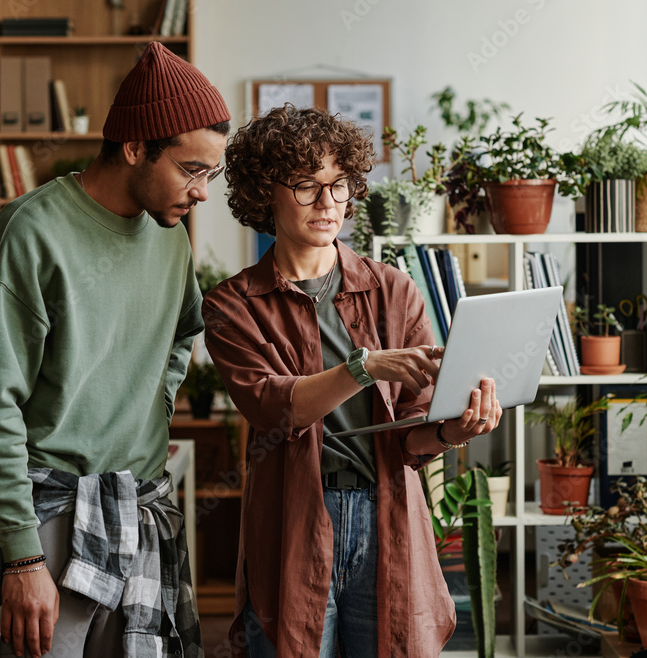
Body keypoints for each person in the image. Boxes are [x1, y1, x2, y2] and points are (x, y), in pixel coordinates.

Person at [0, 42, 230, 658]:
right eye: (191, 169)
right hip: (45, 521)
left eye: (211, 173)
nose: (203, 192)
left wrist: (152, 398)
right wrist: (22, 556)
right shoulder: (27, 234)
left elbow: (185, 330)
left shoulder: (172, 237)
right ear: (134, 147)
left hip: (141, 508)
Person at [201, 104, 503, 657]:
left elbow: (412, 433)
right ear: (265, 191)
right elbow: (275, 407)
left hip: (386, 512)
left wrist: (455, 430)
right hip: (296, 518)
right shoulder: (233, 305)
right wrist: (365, 366)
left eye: (339, 186)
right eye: (307, 187)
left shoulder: (393, 289)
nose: (328, 204)